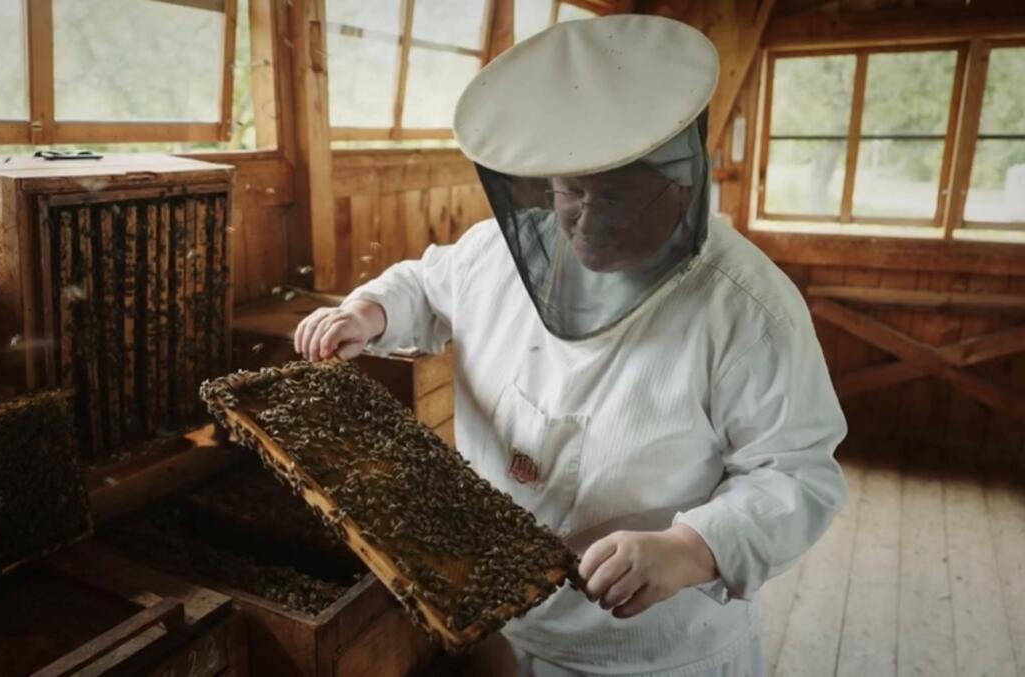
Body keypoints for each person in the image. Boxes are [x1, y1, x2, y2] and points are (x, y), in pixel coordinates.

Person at [294, 14, 846, 677]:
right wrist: (369, 310)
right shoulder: (501, 251)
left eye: (609, 196)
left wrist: (690, 546)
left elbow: (797, 473)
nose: (580, 217)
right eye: (566, 191)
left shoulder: (750, 308)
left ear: (680, 182)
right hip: (499, 626)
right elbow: (426, 284)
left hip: (654, 653)